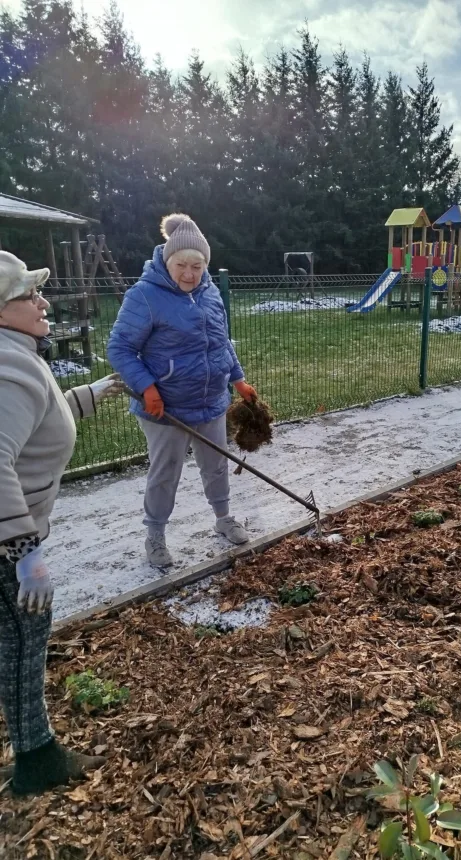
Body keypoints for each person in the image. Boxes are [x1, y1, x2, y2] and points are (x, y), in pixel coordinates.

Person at [0, 251, 124, 794]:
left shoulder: (16, 355)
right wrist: (25, 552)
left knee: (16, 641)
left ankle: (33, 747)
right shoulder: (7, 367)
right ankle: (37, 760)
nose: (42, 301)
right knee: (23, 643)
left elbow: (39, 420)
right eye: (29, 295)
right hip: (8, 543)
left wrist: (89, 395)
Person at [107, 214, 257, 567]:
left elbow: (221, 343)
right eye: (181, 265)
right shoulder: (144, 295)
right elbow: (120, 348)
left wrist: (238, 379)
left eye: (198, 265)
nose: (190, 274)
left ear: (206, 264)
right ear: (166, 260)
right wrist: (147, 388)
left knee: (217, 465)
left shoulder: (211, 291)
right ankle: (155, 537)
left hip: (210, 400)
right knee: (165, 472)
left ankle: (223, 519)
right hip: (166, 408)